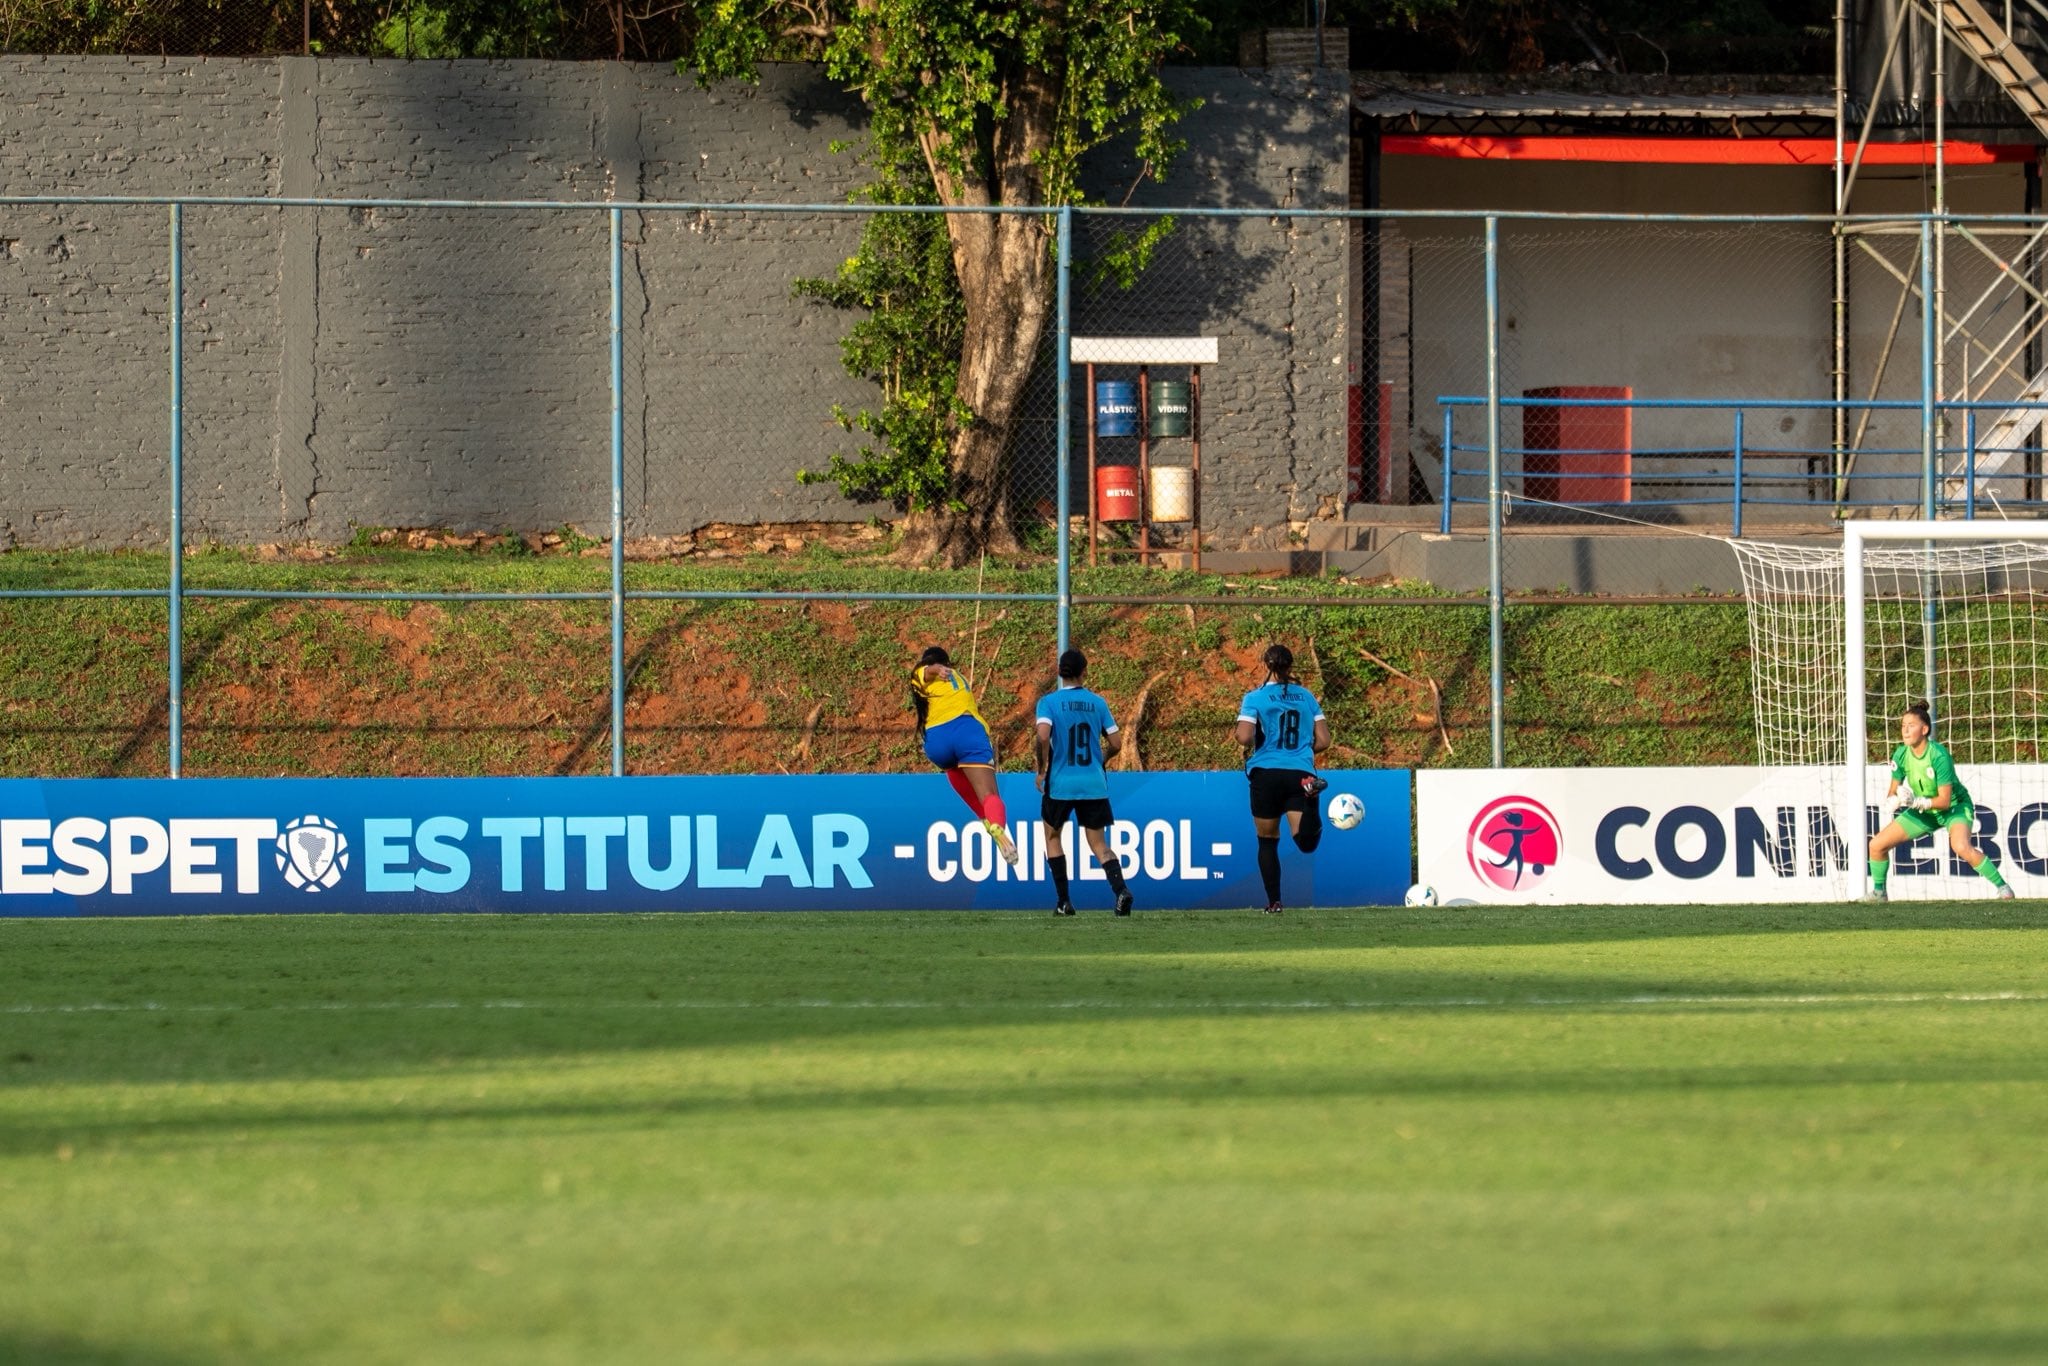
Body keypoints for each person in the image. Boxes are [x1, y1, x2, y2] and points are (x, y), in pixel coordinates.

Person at [1867, 699, 2014, 902]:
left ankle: (2003, 888)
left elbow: (1944, 800)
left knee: (1961, 847)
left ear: (1925, 729)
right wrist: (1893, 800)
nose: (1905, 731)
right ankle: (1879, 893)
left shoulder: (1939, 756)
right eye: (1903, 726)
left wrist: (1916, 802)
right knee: (1876, 845)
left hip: (1954, 808)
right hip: (1925, 812)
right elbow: (1893, 789)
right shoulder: (1901, 754)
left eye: (1911, 726)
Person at [1034, 649, 1133, 917]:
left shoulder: (1048, 702)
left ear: (1058, 672)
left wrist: (1041, 769)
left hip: (1061, 782)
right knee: (1099, 844)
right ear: (1084, 672)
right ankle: (1121, 890)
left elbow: (1043, 736)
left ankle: (1064, 901)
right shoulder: (1098, 703)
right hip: (1093, 782)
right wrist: (1101, 758)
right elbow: (1116, 743)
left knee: (1052, 836)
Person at [1235, 644, 1331, 913]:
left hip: (1266, 774)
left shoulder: (1255, 697)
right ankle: (1311, 798)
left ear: (1266, 665)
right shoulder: (1306, 696)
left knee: (1267, 841)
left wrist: (1248, 740)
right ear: (1291, 667)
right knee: (1305, 843)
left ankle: (1274, 903)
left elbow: (1244, 736)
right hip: (1300, 773)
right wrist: (1301, 751)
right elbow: (1324, 740)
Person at [910, 645, 1018, 866]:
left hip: (937, 741)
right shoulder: (953, 676)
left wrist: (933, 669)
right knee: (989, 795)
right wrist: (937, 668)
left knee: (953, 768)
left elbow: (927, 671)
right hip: (966, 732)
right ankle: (997, 825)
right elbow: (930, 669)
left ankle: (986, 823)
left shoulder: (920, 680)